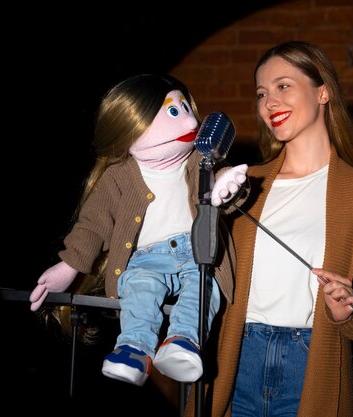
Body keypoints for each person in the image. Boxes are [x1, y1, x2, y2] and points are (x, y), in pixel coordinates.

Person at [185, 41, 353, 417]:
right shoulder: (240, 184)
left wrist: (348, 311)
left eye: (283, 86)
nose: (269, 103)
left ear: (323, 92)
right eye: (261, 93)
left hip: (310, 366)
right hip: (236, 359)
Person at [28, 74, 248, 387]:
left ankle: (183, 343)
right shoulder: (119, 177)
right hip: (145, 259)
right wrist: (69, 266)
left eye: (186, 107)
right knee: (139, 293)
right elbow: (93, 224)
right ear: (132, 124)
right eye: (174, 112)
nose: (188, 120)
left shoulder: (200, 160)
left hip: (196, 252)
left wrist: (226, 188)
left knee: (203, 290)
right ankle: (134, 351)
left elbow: (226, 189)